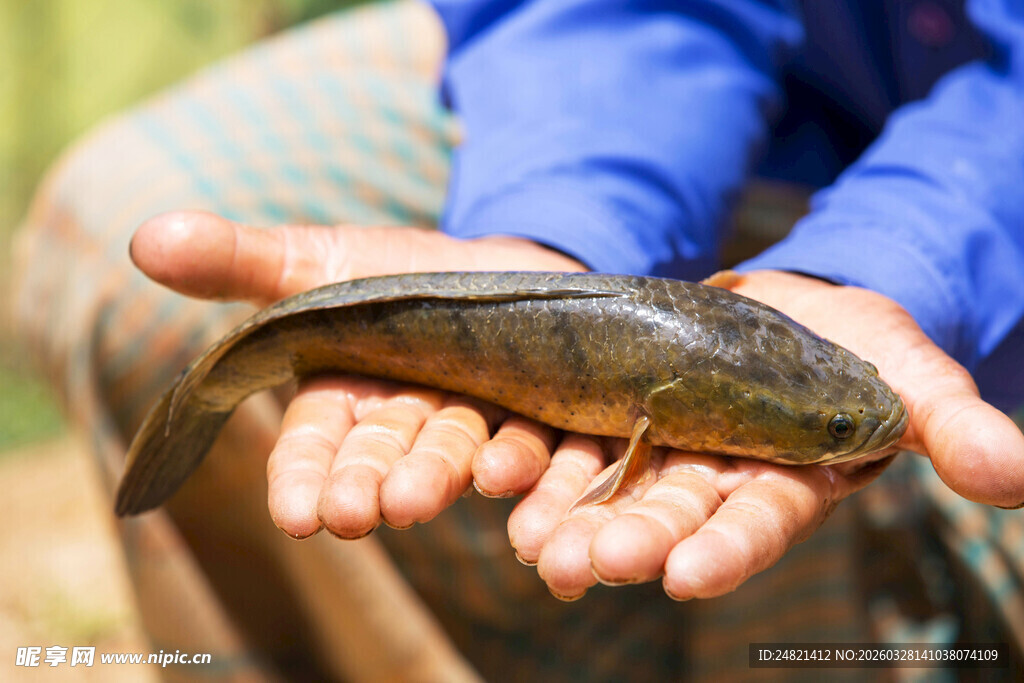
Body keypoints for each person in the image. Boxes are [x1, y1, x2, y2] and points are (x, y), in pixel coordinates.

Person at [14, 0, 1024, 679]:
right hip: (664, 97)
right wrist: (558, 221)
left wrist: (892, 265)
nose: (858, 421)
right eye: (837, 418)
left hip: (979, 211)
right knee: (124, 239)